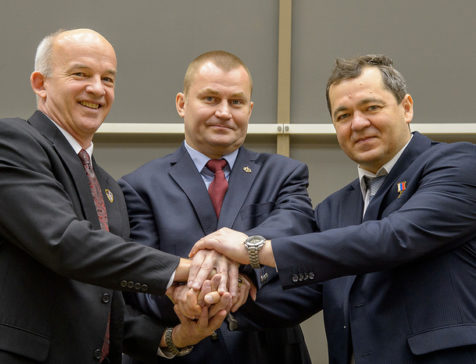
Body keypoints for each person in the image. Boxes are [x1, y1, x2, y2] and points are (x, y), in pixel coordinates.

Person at [190, 54, 476, 363]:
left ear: (406, 108)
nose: (359, 123)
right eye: (343, 115)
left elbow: (394, 237)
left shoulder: (456, 164)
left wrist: (255, 249)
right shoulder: (333, 209)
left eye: (372, 108)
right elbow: (303, 295)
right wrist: (223, 294)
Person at [0, 28, 202, 364]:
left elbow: (105, 299)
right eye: (80, 74)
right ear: (40, 84)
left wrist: (174, 338)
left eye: (108, 79)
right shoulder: (7, 142)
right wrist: (185, 270)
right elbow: (66, 243)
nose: (97, 89)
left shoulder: (108, 186)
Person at [118, 50, 316, 364]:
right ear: (182, 104)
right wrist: (186, 297)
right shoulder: (138, 186)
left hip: (267, 353)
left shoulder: (284, 174)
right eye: (210, 99)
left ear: (249, 110)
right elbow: (139, 280)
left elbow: (297, 229)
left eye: (236, 102)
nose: (224, 112)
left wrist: (242, 265)